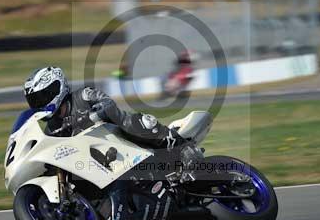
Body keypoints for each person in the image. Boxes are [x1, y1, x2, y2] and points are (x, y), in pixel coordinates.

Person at [23, 66, 209, 184]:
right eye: (35, 100)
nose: (40, 103)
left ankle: (184, 149)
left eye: (43, 96)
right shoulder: (51, 129)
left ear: (58, 88)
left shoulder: (83, 96)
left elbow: (108, 103)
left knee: (133, 122)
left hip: (117, 138)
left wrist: (96, 112)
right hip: (99, 161)